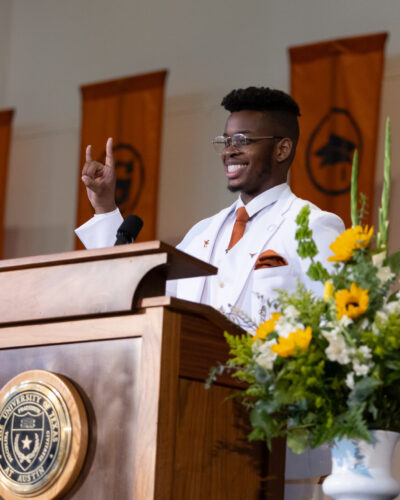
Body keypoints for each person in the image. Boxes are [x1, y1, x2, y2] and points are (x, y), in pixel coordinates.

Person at [75, 86, 345, 499]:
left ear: (282, 148)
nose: (229, 151)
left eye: (243, 141)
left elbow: (337, 338)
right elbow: (132, 287)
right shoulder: (203, 233)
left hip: (276, 446)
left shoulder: (314, 225)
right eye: (225, 141)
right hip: (191, 434)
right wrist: (106, 209)